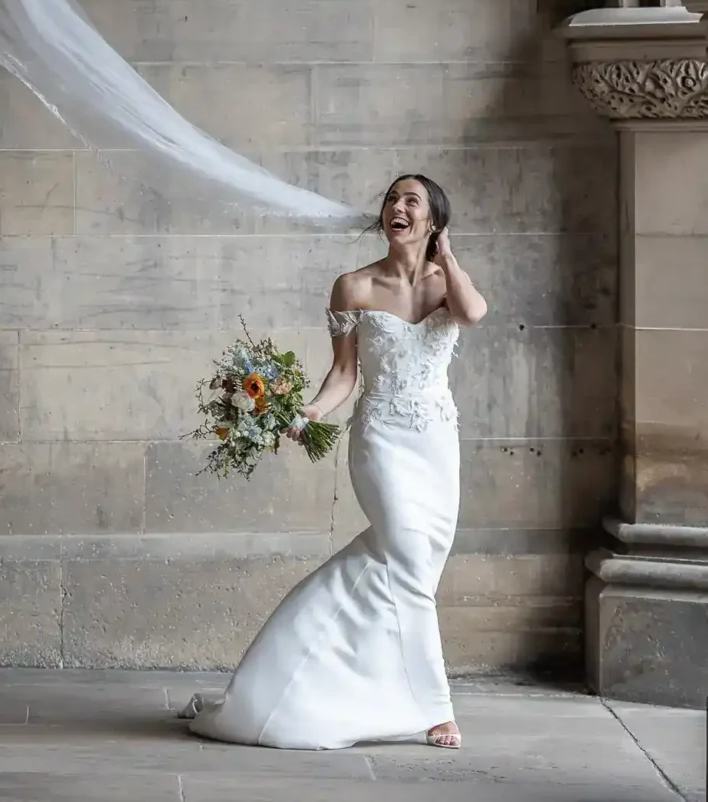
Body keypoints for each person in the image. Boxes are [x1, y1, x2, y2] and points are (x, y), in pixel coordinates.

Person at [179, 174, 489, 751]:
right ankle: (437, 709)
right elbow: (344, 374)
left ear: (431, 220)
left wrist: (447, 257)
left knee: (412, 568)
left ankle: (300, 664)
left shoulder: (449, 283)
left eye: (411, 201)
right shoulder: (353, 286)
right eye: (392, 199)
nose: (396, 206)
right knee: (409, 563)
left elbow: (473, 314)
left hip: (437, 444)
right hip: (382, 440)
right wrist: (305, 414)